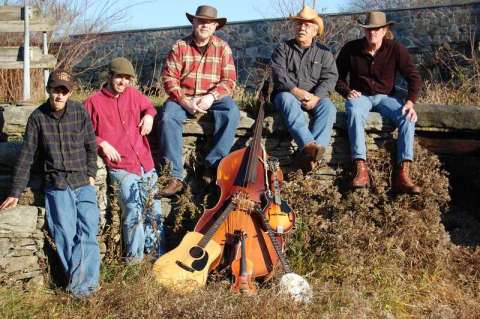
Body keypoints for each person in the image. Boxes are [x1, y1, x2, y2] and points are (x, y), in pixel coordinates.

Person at [0, 70, 100, 297]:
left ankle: (82, 289)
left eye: (64, 91)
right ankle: (83, 287)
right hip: (57, 183)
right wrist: (15, 192)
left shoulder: (79, 111)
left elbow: (91, 146)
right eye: (56, 90)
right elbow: (27, 155)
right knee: (64, 233)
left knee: (88, 231)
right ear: (49, 90)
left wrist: (91, 174)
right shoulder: (37, 117)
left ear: (70, 92)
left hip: (82, 181)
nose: (59, 95)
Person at [84, 57, 164, 264]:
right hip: (121, 167)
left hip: (145, 163)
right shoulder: (93, 102)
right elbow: (83, 133)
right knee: (133, 211)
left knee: (154, 211)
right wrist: (102, 142)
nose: (123, 82)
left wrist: (149, 116)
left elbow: (150, 107)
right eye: (120, 77)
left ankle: (156, 255)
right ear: (110, 76)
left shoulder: (133, 95)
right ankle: (134, 262)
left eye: (127, 78)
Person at [335, 11, 422, 194]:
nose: (371, 33)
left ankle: (403, 173)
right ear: (364, 31)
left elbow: (414, 77)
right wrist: (347, 91)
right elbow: (336, 78)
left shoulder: (396, 49)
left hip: (386, 97)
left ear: (384, 30)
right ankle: (361, 168)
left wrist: (410, 102)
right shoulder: (351, 49)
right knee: (354, 111)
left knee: (408, 117)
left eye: (376, 29)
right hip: (361, 96)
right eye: (368, 30)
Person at [159, 4, 240, 196]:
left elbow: (229, 80)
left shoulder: (223, 48)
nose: (204, 25)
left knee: (232, 112)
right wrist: (184, 100)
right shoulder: (180, 46)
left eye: (208, 23)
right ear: (193, 22)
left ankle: (212, 166)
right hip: (184, 97)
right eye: (200, 21)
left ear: (215, 27)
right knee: (167, 117)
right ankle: (175, 176)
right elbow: (169, 78)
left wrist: (211, 97)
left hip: (213, 98)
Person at [271, 6, 338, 172]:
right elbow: (279, 74)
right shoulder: (283, 48)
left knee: (328, 107)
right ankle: (308, 145)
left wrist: (316, 97)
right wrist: (296, 91)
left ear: (315, 31)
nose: (302, 28)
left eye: (307, 25)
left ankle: (312, 156)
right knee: (286, 99)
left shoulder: (324, 53)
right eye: (299, 24)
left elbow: (330, 78)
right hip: (287, 94)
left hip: (314, 98)